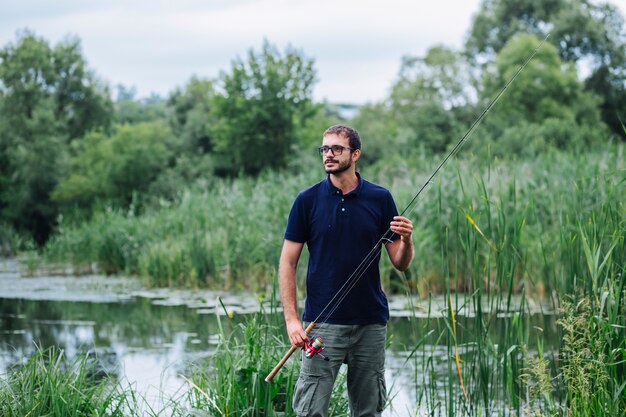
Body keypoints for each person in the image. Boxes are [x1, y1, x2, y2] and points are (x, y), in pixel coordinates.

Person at [279, 124, 414, 416]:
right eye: (325, 149)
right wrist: (292, 320)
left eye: (336, 149)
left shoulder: (380, 199)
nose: (328, 154)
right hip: (321, 325)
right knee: (310, 411)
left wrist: (406, 239)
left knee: (368, 411)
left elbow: (400, 263)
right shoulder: (307, 200)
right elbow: (287, 262)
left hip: (370, 324)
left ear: (355, 154)